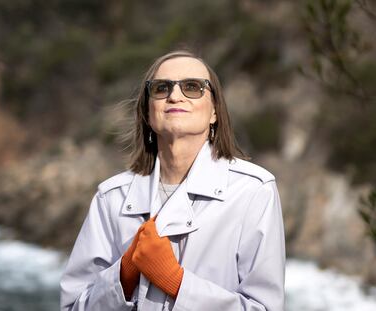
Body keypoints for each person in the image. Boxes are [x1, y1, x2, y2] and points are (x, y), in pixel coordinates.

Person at [60, 50, 285, 311]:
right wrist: (124, 275)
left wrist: (175, 281)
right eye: (161, 88)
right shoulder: (110, 197)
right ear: (147, 112)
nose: (174, 96)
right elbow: (73, 306)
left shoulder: (254, 191)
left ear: (214, 112)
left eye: (193, 87)